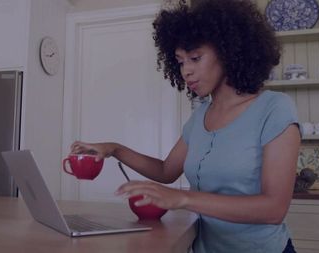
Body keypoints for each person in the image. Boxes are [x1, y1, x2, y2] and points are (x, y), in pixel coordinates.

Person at [70, 0, 301, 252]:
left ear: (228, 51)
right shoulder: (200, 116)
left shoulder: (274, 109)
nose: (186, 71)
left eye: (195, 58)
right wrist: (114, 149)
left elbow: (273, 209)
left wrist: (183, 198)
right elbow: (166, 170)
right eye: (180, 61)